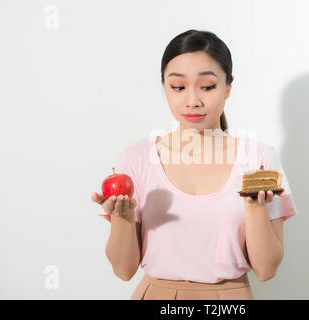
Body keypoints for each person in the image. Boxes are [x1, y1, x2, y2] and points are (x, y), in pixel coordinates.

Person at [91, 29, 298, 300]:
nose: (192, 101)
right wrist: (123, 218)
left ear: (229, 87)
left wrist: (255, 207)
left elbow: (266, 270)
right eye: (178, 87)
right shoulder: (136, 158)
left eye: (207, 87)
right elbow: (123, 270)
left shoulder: (258, 160)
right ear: (164, 86)